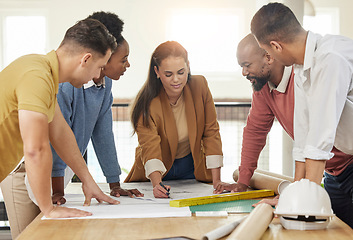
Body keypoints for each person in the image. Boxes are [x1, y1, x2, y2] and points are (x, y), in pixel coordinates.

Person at [0, 18, 119, 239]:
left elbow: (60, 133)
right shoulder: (37, 76)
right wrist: (48, 209)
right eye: (99, 67)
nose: (97, 76)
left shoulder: (42, 72)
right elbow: (35, 148)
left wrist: (88, 181)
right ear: (86, 59)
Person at [250, 2, 353, 228]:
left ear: (276, 46)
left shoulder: (330, 58)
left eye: (267, 52)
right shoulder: (300, 67)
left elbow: (320, 137)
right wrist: (291, 198)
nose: (269, 57)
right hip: (338, 174)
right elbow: (304, 135)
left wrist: (304, 205)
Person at [49, 12, 143, 207]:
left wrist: (114, 184)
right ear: (105, 59)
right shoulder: (65, 86)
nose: (127, 64)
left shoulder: (105, 84)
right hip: (37, 173)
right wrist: (57, 190)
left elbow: (103, 134)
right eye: (123, 59)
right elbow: (56, 139)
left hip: (59, 174)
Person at [125, 41, 225, 198]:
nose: (176, 80)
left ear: (188, 67)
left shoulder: (200, 86)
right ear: (157, 72)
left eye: (181, 72)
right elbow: (150, 146)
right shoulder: (146, 103)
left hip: (190, 165)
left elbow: (211, 132)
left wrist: (217, 181)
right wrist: (157, 184)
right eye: (168, 74)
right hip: (156, 169)